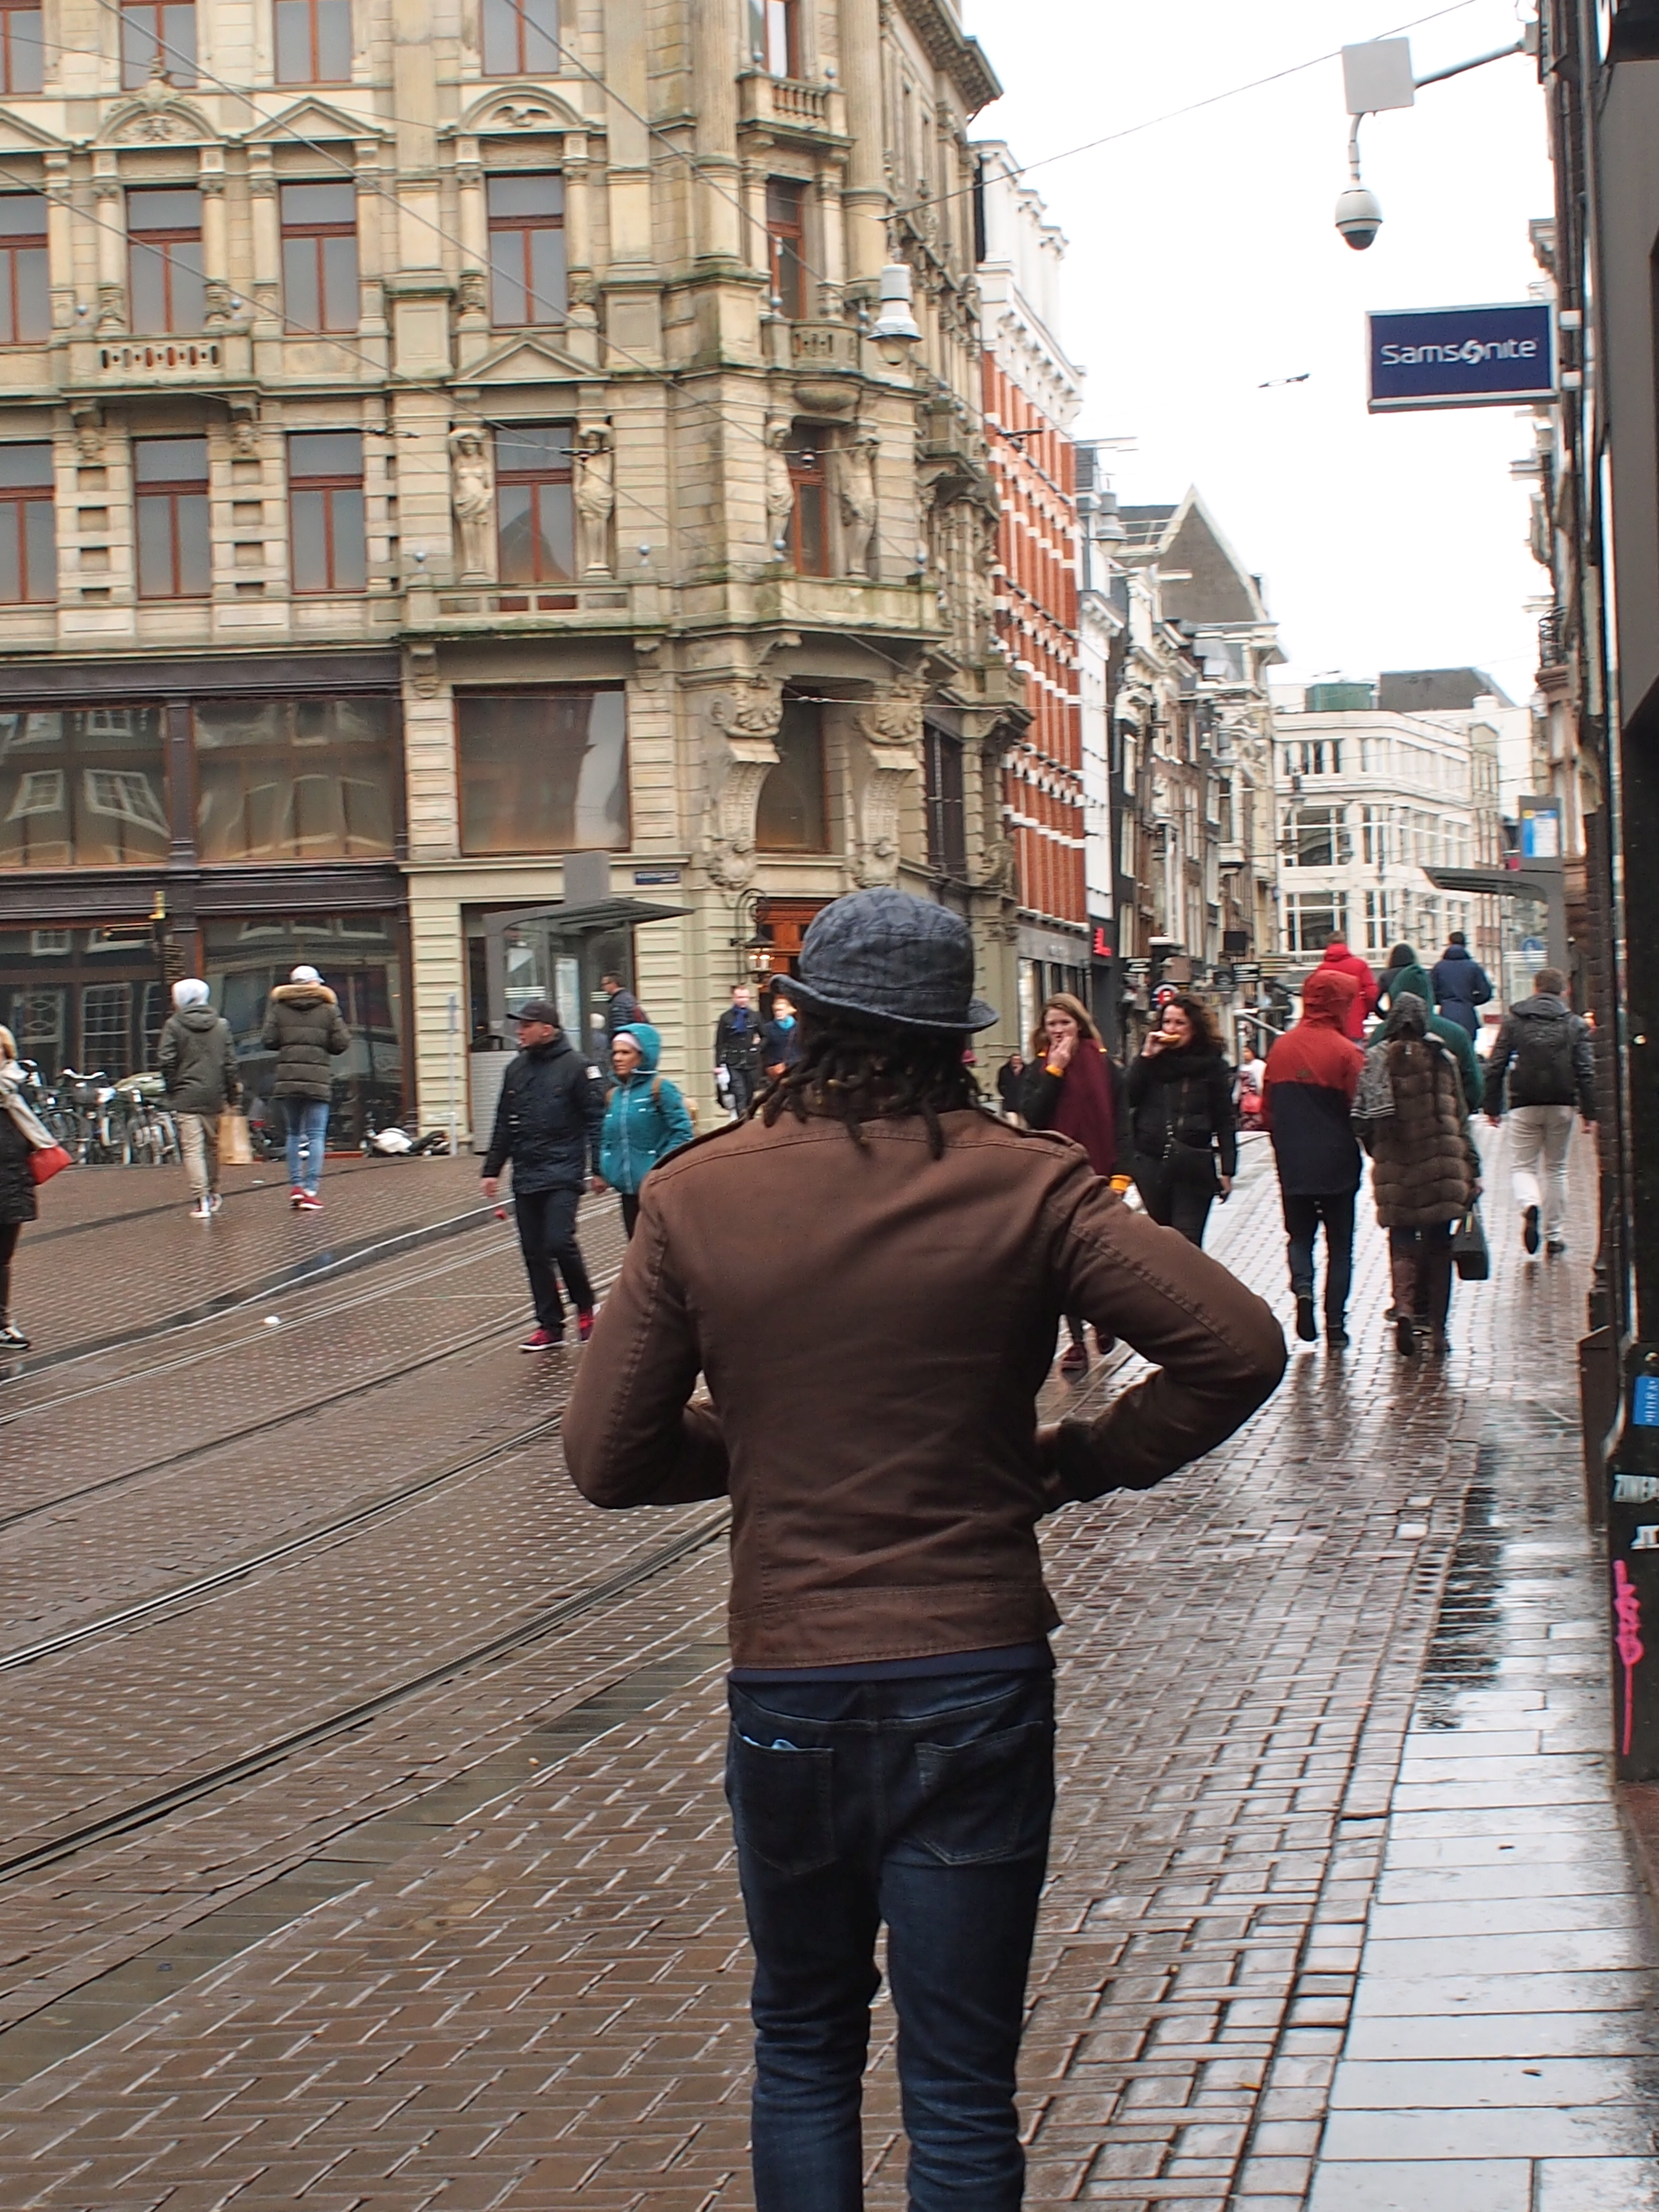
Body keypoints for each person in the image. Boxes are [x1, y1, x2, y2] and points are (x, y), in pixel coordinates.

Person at [563, 886, 1285, 2212]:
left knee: (803, 2044)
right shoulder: (1029, 1183)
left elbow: (608, 1457)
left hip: (793, 1675)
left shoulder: (698, 1193)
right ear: (957, 1038)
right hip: (973, 1667)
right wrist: (1080, 1459)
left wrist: (771, 1445)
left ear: (802, 1023)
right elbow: (1235, 1349)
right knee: (960, 2084)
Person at [1353, 991, 1480, 1358]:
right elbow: (1460, 1117)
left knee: (1403, 1242)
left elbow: (1361, 1119)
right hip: (1441, 1167)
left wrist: (1378, 1151)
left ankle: (1406, 1309)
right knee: (1440, 1248)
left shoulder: (1377, 1061)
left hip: (1397, 1167)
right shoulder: (1442, 1059)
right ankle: (1439, 1332)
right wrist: (1472, 1166)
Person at [482, 998, 607, 1350]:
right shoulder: (516, 1070)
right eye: (518, 1025)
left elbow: (596, 1121)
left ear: (547, 1030)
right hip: (527, 1172)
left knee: (559, 1241)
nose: (519, 1032)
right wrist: (492, 1169)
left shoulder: (577, 1067)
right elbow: (504, 1123)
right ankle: (550, 1324)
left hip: (564, 1170)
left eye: (526, 1026)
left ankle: (586, 1305)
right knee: (534, 1251)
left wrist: (599, 1168)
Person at [1019, 994, 1130, 1374]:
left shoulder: (1105, 1066)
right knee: (1063, 1262)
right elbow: (1034, 1117)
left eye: (1064, 1023)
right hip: (1058, 1176)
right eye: (1052, 1024)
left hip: (1099, 1174)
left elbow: (1120, 1121)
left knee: (1099, 1256)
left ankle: (1104, 1318)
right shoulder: (1037, 1069)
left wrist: (1122, 1174)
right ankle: (1077, 1341)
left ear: (1079, 1025)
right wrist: (1055, 1070)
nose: (1058, 1031)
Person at [1261, 970, 1364, 1348]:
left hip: (1294, 1163)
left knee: (1300, 1237)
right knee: (1340, 1247)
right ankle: (1335, 1325)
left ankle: (1303, 1289)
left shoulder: (1281, 1048)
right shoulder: (1347, 1053)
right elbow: (1360, 1108)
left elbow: (1268, 1111)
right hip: (1337, 1163)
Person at [1483, 965, 1597, 1257]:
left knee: (1523, 1166)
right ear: (1564, 992)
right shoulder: (1574, 1024)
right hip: (1562, 1103)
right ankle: (1554, 1236)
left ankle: (1530, 1204)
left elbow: (1496, 1065)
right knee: (1556, 1169)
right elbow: (1585, 1070)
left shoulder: (1515, 1021)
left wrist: (1492, 1107)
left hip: (1524, 1103)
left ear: (1535, 989)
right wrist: (1590, 1113)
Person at [1124, 993, 1237, 1248]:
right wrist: (1145, 1057)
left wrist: (1228, 1169)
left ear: (1195, 1028)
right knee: (1163, 1240)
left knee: (1187, 1242)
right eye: (1167, 1022)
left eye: (1180, 1023)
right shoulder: (1151, 1063)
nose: (1172, 1029)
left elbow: (1224, 1118)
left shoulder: (1213, 1066)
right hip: (1153, 1162)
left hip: (1193, 1163)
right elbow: (1127, 1098)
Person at [261, 964, 350, 1212]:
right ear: (314, 984)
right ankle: (311, 1190)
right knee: (316, 1135)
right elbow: (342, 1043)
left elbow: (269, 1040)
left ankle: (296, 1187)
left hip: (288, 1078)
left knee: (293, 1134)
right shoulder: (328, 1009)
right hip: (317, 1079)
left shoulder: (279, 1008)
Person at [595, 1022, 694, 1239]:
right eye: (615, 1053)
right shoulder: (614, 1096)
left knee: (661, 1247)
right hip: (628, 1192)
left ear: (643, 1056)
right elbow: (608, 1139)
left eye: (625, 1052)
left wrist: (658, 1167)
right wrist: (606, 1167)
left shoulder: (661, 1089)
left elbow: (682, 1133)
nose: (618, 1058)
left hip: (657, 1190)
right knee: (637, 1248)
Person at [158, 978, 240, 1220]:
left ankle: (201, 1199)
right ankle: (213, 1193)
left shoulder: (174, 1025)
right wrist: (232, 1096)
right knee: (211, 1147)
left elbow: (166, 1061)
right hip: (214, 1095)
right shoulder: (221, 1025)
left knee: (193, 1149)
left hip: (186, 1095)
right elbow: (230, 1064)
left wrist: (173, 1088)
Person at [0, 1027, 54, 1351]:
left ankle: (2, 1324)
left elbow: (34, 1134)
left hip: (11, 1182)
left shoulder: (17, 1087)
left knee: (3, 1258)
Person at [1430, 930, 1494, 1039]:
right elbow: (1486, 993)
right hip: (1468, 1016)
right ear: (1465, 945)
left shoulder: (1439, 967)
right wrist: (1472, 1000)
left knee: (1446, 1046)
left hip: (1446, 1016)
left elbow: (1430, 992)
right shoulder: (1474, 967)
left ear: (1450, 943)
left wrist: (1442, 1000)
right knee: (1467, 1046)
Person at [1313, 934, 1377, 1041]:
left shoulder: (1322, 969)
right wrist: (1364, 1011)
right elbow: (1371, 994)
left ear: (1328, 945)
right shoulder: (1360, 965)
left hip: (1331, 1028)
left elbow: (1316, 999)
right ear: (1345, 944)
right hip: (1354, 1025)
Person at [715, 983, 764, 1120]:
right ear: (734, 998)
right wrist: (718, 1065)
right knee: (740, 1094)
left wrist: (758, 1048)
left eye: (745, 997)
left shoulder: (755, 1016)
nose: (743, 1000)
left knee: (750, 1095)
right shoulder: (726, 1018)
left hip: (751, 1062)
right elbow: (720, 1043)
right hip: (733, 1062)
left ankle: (748, 1120)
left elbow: (765, 1036)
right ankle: (742, 1123)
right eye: (740, 997)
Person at [761, 987, 802, 1082]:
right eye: (776, 1011)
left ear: (789, 1010)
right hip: (777, 1069)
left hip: (795, 1067)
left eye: (781, 1010)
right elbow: (764, 1050)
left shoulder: (799, 1028)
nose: (778, 1013)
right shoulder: (768, 1028)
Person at [600, 973, 645, 1040]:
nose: (603, 988)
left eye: (604, 984)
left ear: (613, 984)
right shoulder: (628, 997)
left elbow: (619, 1026)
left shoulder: (619, 1002)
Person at [1235, 1038, 1266, 1129]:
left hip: (1255, 1097)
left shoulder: (1259, 1065)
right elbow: (1239, 1083)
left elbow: (1260, 1083)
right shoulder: (1242, 1067)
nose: (1244, 1054)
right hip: (1244, 1099)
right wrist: (1236, 1097)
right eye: (1243, 1052)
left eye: (1247, 1052)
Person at [995, 1050, 1026, 1120]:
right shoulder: (1005, 1071)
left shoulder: (1027, 1070)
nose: (1017, 1062)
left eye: (1018, 1060)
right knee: (1013, 1124)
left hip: (1024, 1106)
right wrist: (1006, 1094)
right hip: (1010, 1105)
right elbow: (1000, 1085)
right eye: (1015, 1060)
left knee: (1023, 1125)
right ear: (1011, 1061)